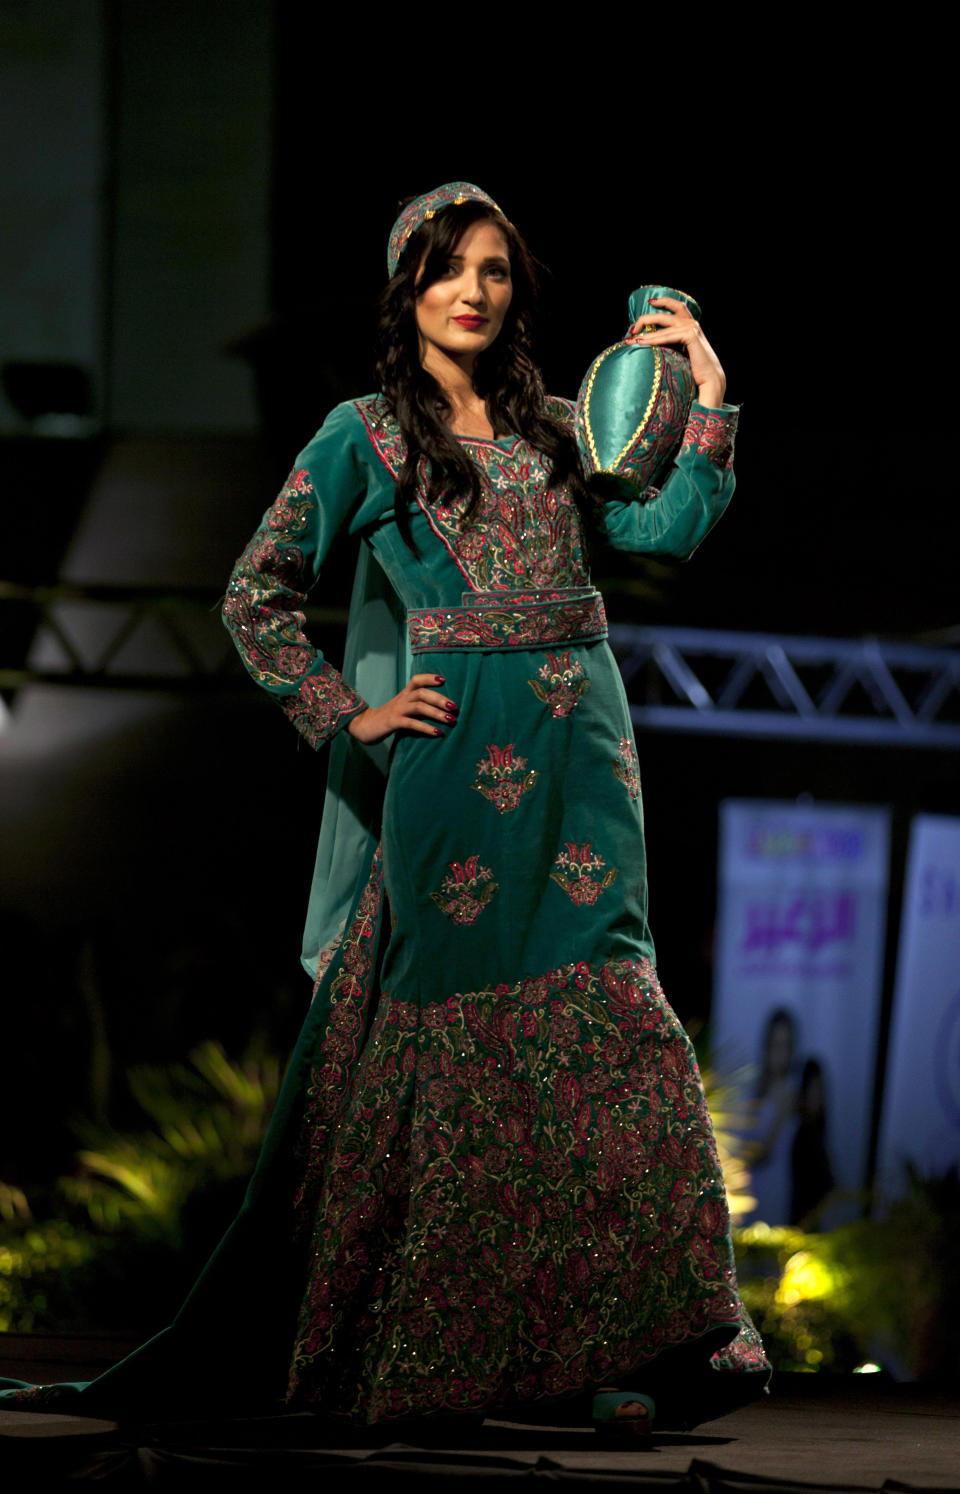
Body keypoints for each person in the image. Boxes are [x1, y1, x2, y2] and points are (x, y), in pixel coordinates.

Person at [1, 182, 769, 1437]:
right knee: (464, 1050)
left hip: (585, 749)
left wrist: (710, 391)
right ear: (406, 287)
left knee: (611, 1032)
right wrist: (343, 714)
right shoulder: (362, 432)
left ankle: (631, 1348)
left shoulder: (564, 426)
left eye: (497, 271)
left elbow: (672, 527)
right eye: (447, 269)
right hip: (453, 759)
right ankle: (450, 1357)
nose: (475, 291)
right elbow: (255, 594)